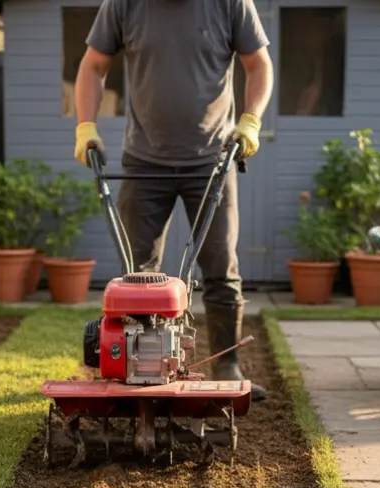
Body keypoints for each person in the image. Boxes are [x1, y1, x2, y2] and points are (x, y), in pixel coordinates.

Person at [72, 0, 274, 399]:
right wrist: (85, 127)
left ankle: (227, 364)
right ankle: (141, 367)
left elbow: (259, 64)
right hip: (144, 160)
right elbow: (93, 64)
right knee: (137, 275)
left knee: (221, 266)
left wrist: (250, 122)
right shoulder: (124, 4)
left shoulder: (230, 3)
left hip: (213, 159)